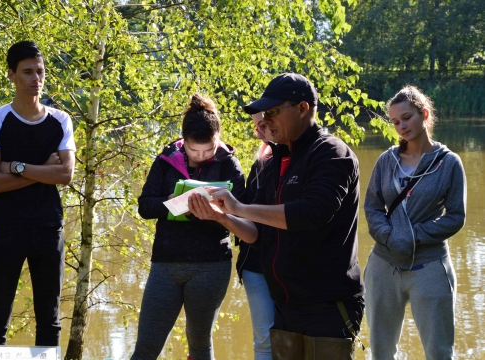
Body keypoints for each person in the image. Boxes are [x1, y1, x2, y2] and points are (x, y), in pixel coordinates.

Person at [188, 73, 365, 359]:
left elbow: (313, 213)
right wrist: (222, 217)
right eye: (263, 113)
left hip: (328, 306)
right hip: (284, 305)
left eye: (273, 111)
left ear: (303, 108)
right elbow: (259, 235)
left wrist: (239, 208)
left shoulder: (332, 153)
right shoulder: (273, 163)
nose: (265, 120)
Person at [0, 41, 76, 359]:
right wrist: (46, 169)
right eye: (28, 71)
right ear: (12, 75)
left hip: (48, 228)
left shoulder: (61, 120)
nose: (36, 78)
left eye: (40, 72)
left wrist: (16, 167)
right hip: (6, 229)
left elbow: (66, 175)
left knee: (49, 318)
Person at [132, 94, 245, 360]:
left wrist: (220, 211)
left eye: (209, 150)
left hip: (211, 264)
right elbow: (145, 206)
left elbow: (245, 212)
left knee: (199, 343)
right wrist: (169, 203)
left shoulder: (228, 163)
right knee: (147, 344)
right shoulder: (166, 159)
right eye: (195, 151)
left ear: (218, 138)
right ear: (184, 142)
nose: (202, 156)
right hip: (166, 263)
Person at [363, 86, 466, 360]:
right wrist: (387, 235)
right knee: (381, 352)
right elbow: (372, 207)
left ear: (425, 114)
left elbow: (456, 216)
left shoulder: (449, 164)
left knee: (439, 352)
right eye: (395, 122)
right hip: (383, 266)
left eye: (406, 118)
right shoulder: (386, 161)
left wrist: (414, 235)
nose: (401, 126)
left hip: (430, 267)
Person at [235, 112, 275, 360]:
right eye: (256, 126)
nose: (257, 132)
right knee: (263, 340)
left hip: (293, 266)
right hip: (255, 265)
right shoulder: (259, 164)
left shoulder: (310, 159)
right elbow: (246, 212)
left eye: (263, 126)